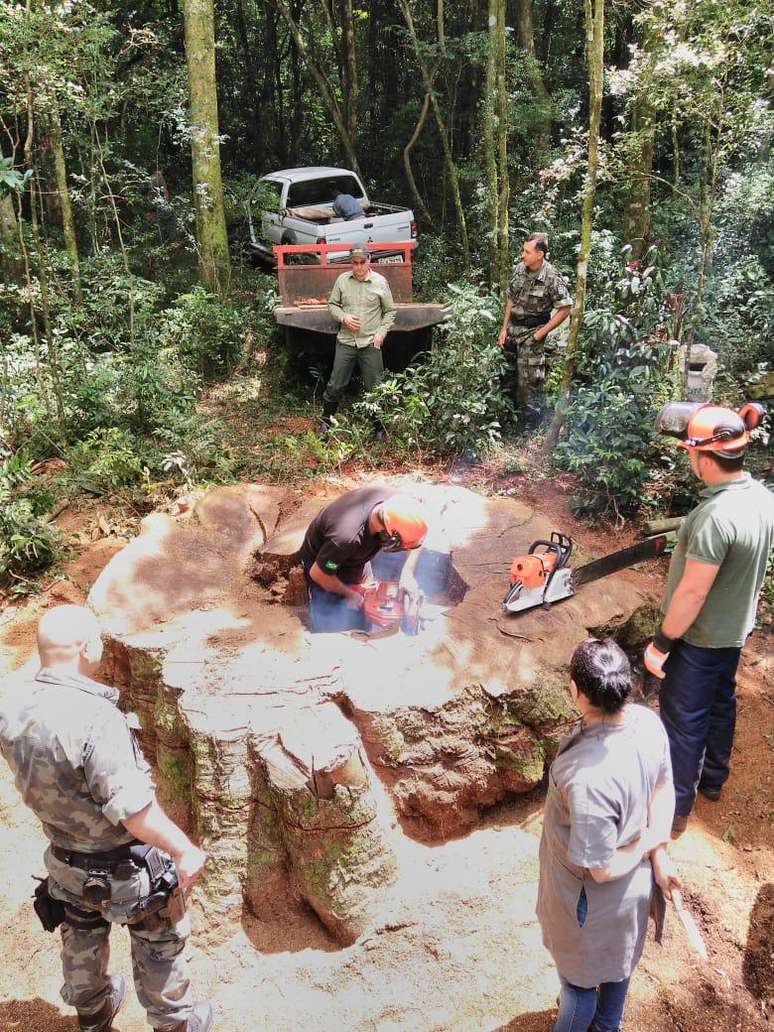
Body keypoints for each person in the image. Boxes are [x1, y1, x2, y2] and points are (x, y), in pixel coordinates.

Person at [0, 605, 213, 1032]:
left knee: (80, 932)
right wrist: (183, 850)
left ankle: (93, 1013)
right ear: (86, 648)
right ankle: (175, 1024)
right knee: (158, 941)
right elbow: (133, 812)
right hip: (127, 868)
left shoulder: (10, 701)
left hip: (65, 860)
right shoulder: (96, 718)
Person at [536, 638, 682, 1032]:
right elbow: (664, 788)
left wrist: (649, 843)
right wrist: (659, 851)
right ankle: (608, 1025)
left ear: (577, 692)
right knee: (617, 969)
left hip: (589, 905)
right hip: (631, 897)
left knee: (579, 989)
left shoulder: (587, 777)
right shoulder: (647, 723)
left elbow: (600, 868)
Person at [644, 401, 774, 837]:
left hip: (698, 640)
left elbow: (693, 591)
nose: (688, 459)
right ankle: (714, 780)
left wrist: (662, 643)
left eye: (688, 452)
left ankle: (674, 810)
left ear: (704, 456)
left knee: (684, 722)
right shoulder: (761, 497)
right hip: (734, 632)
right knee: (721, 705)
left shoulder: (716, 517)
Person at [299, 485, 428, 632]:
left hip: (355, 556)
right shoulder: (346, 538)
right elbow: (318, 573)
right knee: (331, 620)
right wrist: (349, 594)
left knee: (362, 618)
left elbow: (416, 539)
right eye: (401, 545)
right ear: (389, 536)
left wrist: (408, 573)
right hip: (323, 562)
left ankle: (363, 625)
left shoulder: (398, 505)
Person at [320, 245, 397, 431]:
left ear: (369, 261)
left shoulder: (380, 282)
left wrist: (381, 333)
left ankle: (379, 428)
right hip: (346, 341)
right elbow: (332, 305)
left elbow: (390, 312)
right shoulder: (343, 281)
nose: (359, 267)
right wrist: (343, 317)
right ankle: (325, 421)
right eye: (355, 263)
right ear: (351, 263)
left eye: (363, 262)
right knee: (336, 384)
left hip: (370, 342)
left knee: (375, 387)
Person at [497, 233, 572, 424]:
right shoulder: (519, 269)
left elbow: (565, 308)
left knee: (529, 383)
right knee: (506, 376)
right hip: (513, 330)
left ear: (540, 254)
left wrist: (540, 334)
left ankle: (529, 426)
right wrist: (504, 328)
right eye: (523, 250)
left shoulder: (552, 277)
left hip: (532, 334)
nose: (523, 255)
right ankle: (506, 418)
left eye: (527, 251)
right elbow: (511, 299)